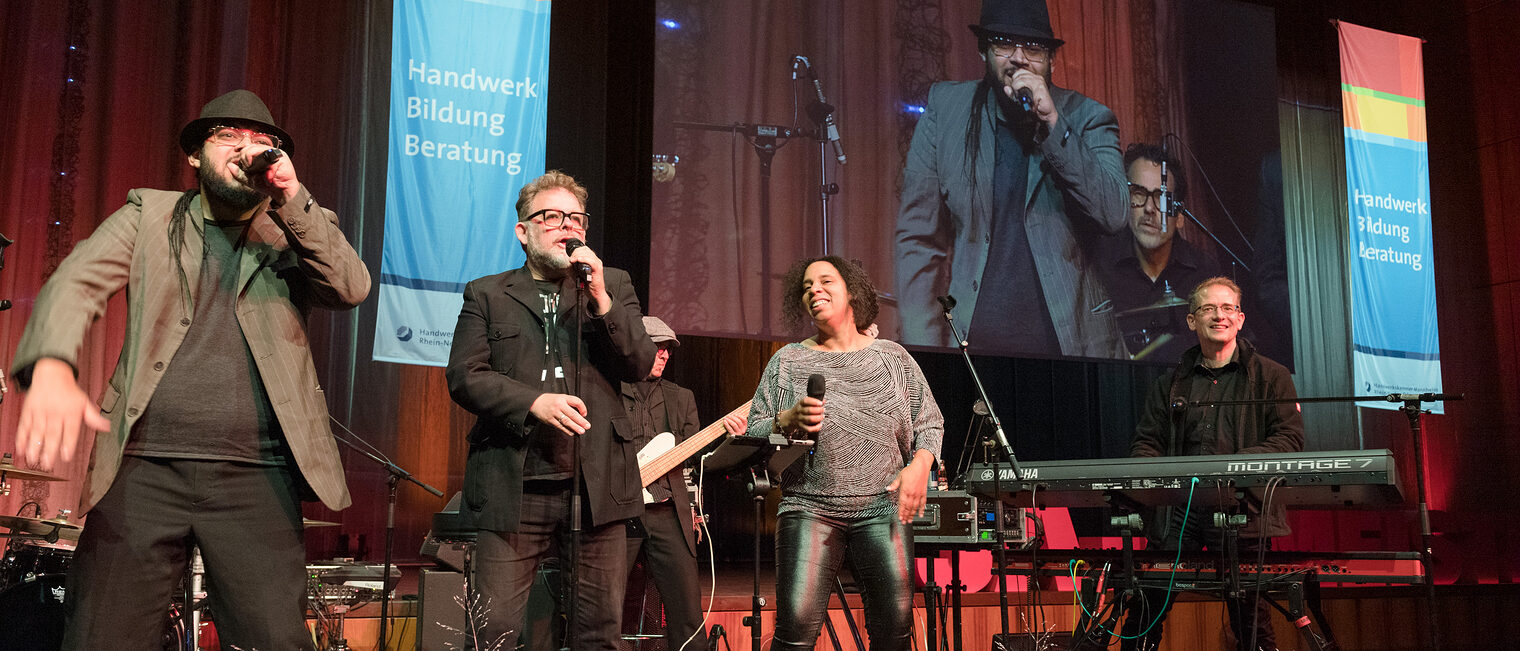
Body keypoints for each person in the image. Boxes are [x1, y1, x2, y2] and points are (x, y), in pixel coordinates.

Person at [9, 89, 369, 649]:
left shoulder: (297, 226)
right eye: (230, 135)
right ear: (196, 156)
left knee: (275, 639)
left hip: (257, 474)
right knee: (101, 636)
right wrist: (52, 362)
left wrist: (292, 194)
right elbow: (77, 280)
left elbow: (351, 288)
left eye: (263, 140)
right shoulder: (148, 214)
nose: (249, 147)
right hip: (144, 467)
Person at [445, 170, 657, 650]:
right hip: (514, 482)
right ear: (523, 231)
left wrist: (602, 298)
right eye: (553, 216)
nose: (568, 227)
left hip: (596, 483)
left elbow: (640, 363)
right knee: (494, 628)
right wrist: (533, 401)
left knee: (598, 632)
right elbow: (464, 376)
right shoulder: (488, 293)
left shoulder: (613, 286)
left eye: (576, 218)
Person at [895, 0, 1126, 358]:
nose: (1019, 58)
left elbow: (1113, 213)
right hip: (977, 350)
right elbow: (917, 238)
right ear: (984, 50)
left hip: (1072, 346)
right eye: (1004, 42)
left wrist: (1052, 123)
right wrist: (923, 350)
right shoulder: (946, 110)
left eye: (1033, 48)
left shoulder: (1087, 118)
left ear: (1052, 59)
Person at [746, 256, 944, 650]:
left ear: (852, 291)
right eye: (806, 287)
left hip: (883, 508)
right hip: (809, 507)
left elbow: (930, 423)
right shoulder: (787, 361)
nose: (813, 290)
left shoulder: (892, 358)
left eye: (824, 281)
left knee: (894, 632)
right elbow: (754, 429)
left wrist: (922, 464)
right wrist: (786, 418)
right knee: (796, 631)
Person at [1120, 277, 1304, 651]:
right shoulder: (1168, 383)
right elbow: (1147, 443)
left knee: (1251, 621)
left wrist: (1233, 468)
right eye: (1208, 308)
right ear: (1191, 321)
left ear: (1240, 318)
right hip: (1177, 514)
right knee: (1144, 613)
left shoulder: (1272, 376)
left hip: (1242, 511)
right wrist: (1152, 483)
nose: (1218, 315)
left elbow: (1288, 439)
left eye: (1227, 308)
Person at [621, 316, 746, 650]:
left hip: (666, 512)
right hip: (619, 510)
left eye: (668, 350)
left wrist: (728, 441)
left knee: (687, 610)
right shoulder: (609, 392)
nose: (664, 355)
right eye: (657, 347)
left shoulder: (681, 398)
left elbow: (698, 458)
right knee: (602, 608)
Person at [1097, 143, 1222, 362]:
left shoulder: (1205, 273)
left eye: (1161, 198)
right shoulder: (1099, 265)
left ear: (1180, 215)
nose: (1149, 208)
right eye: (1138, 193)